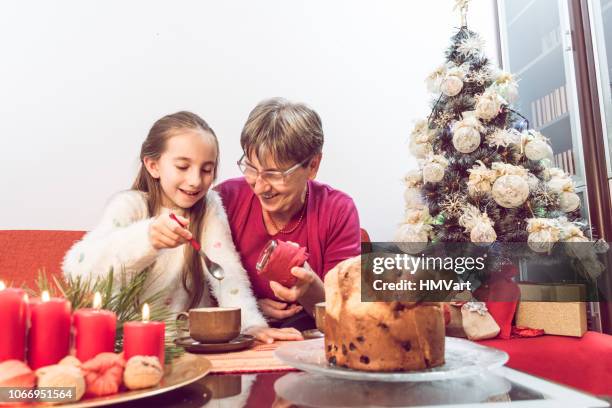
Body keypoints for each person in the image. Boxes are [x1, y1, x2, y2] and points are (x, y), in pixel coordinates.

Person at [62, 111, 301, 343]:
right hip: (132, 346)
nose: (196, 180)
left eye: (207, 170)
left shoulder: (209, 207)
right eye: (183, 167)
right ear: (153, 165)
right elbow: (77, 269)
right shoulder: (130, 206)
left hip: (195, 345)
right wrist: (147, 239)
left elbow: (225, 272)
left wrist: (251, 325)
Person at [216, 98, 361, 330]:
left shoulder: (337, 210)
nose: (260, 186)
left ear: (312, 166)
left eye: (274, 174)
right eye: (251, 168)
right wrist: (248, 307)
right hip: (243, 339)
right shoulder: (226, 199)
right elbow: (201, 290)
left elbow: (348, 316)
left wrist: (312, 288)